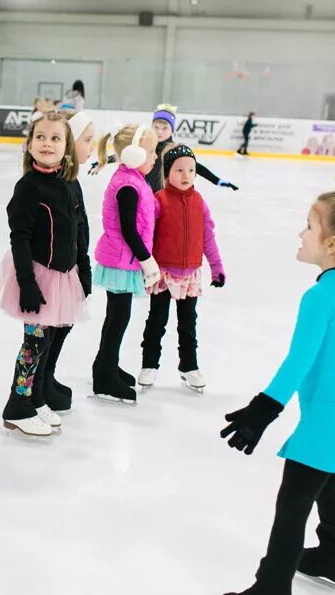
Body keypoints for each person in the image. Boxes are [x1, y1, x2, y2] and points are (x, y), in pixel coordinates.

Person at [220, 186, 335, 595]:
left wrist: (262, 410)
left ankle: (271, 587)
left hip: (329, 419)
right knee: (328, 484)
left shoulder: (320, 295)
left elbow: (298, 362)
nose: (301, 233)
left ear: (333, 243)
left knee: (293, 505)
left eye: (308, 226)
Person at [0, 112, 86, 437]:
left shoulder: (66, 184)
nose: (47, 143)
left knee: (46, 340)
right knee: (34, 341)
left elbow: (76, 231)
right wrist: (27, 284)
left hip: (61, 275)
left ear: (67, 146)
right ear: (29, 144)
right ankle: (17, 405)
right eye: (41, 137)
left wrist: (82, 269)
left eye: (55, 138)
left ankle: (33, 398)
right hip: (35, 275)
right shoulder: (28, 187)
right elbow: (18, 236)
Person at [137, 146, 225, 393]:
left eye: (191, 170)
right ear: (167, 173)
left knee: (188, 324)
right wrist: (145, 266)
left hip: (190, 275)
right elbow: (147, 236)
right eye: (179, 170)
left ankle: (189, 366)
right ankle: (149, 364)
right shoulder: (158, 200)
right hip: (163, 272)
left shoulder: (200, 202)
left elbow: (208, 237)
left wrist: (217, 268)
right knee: (157, 321)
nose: (186, 175)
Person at [91, 123, 160, 404]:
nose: (155, 157)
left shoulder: (132, 179)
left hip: (123, 259)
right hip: (122, 261)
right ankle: (104, 375)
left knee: (117, 317)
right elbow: (129, 230)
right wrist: (148, 262)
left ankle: (106, 365)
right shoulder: (128, 185)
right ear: (133, 154)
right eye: (151, 151)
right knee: (118, 318)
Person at [36, 109, 94, 414]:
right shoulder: (55, 183)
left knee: (63, 322)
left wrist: (83, 268)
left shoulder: (72, 180)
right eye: (87, 139)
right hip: (51, 270)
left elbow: (80, 228)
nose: (92, 146)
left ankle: (48, 374)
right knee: (47, 329)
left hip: (70, 266)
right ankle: (39, 381)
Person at [148, 104, 238, 192]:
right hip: (144, 196)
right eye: (156, 127)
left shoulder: (174, 150)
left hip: (162, 197)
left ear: (172, 130)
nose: (159, 132)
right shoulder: (146, 146)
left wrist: (217, 180)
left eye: (165, 128)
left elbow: (195, 166)